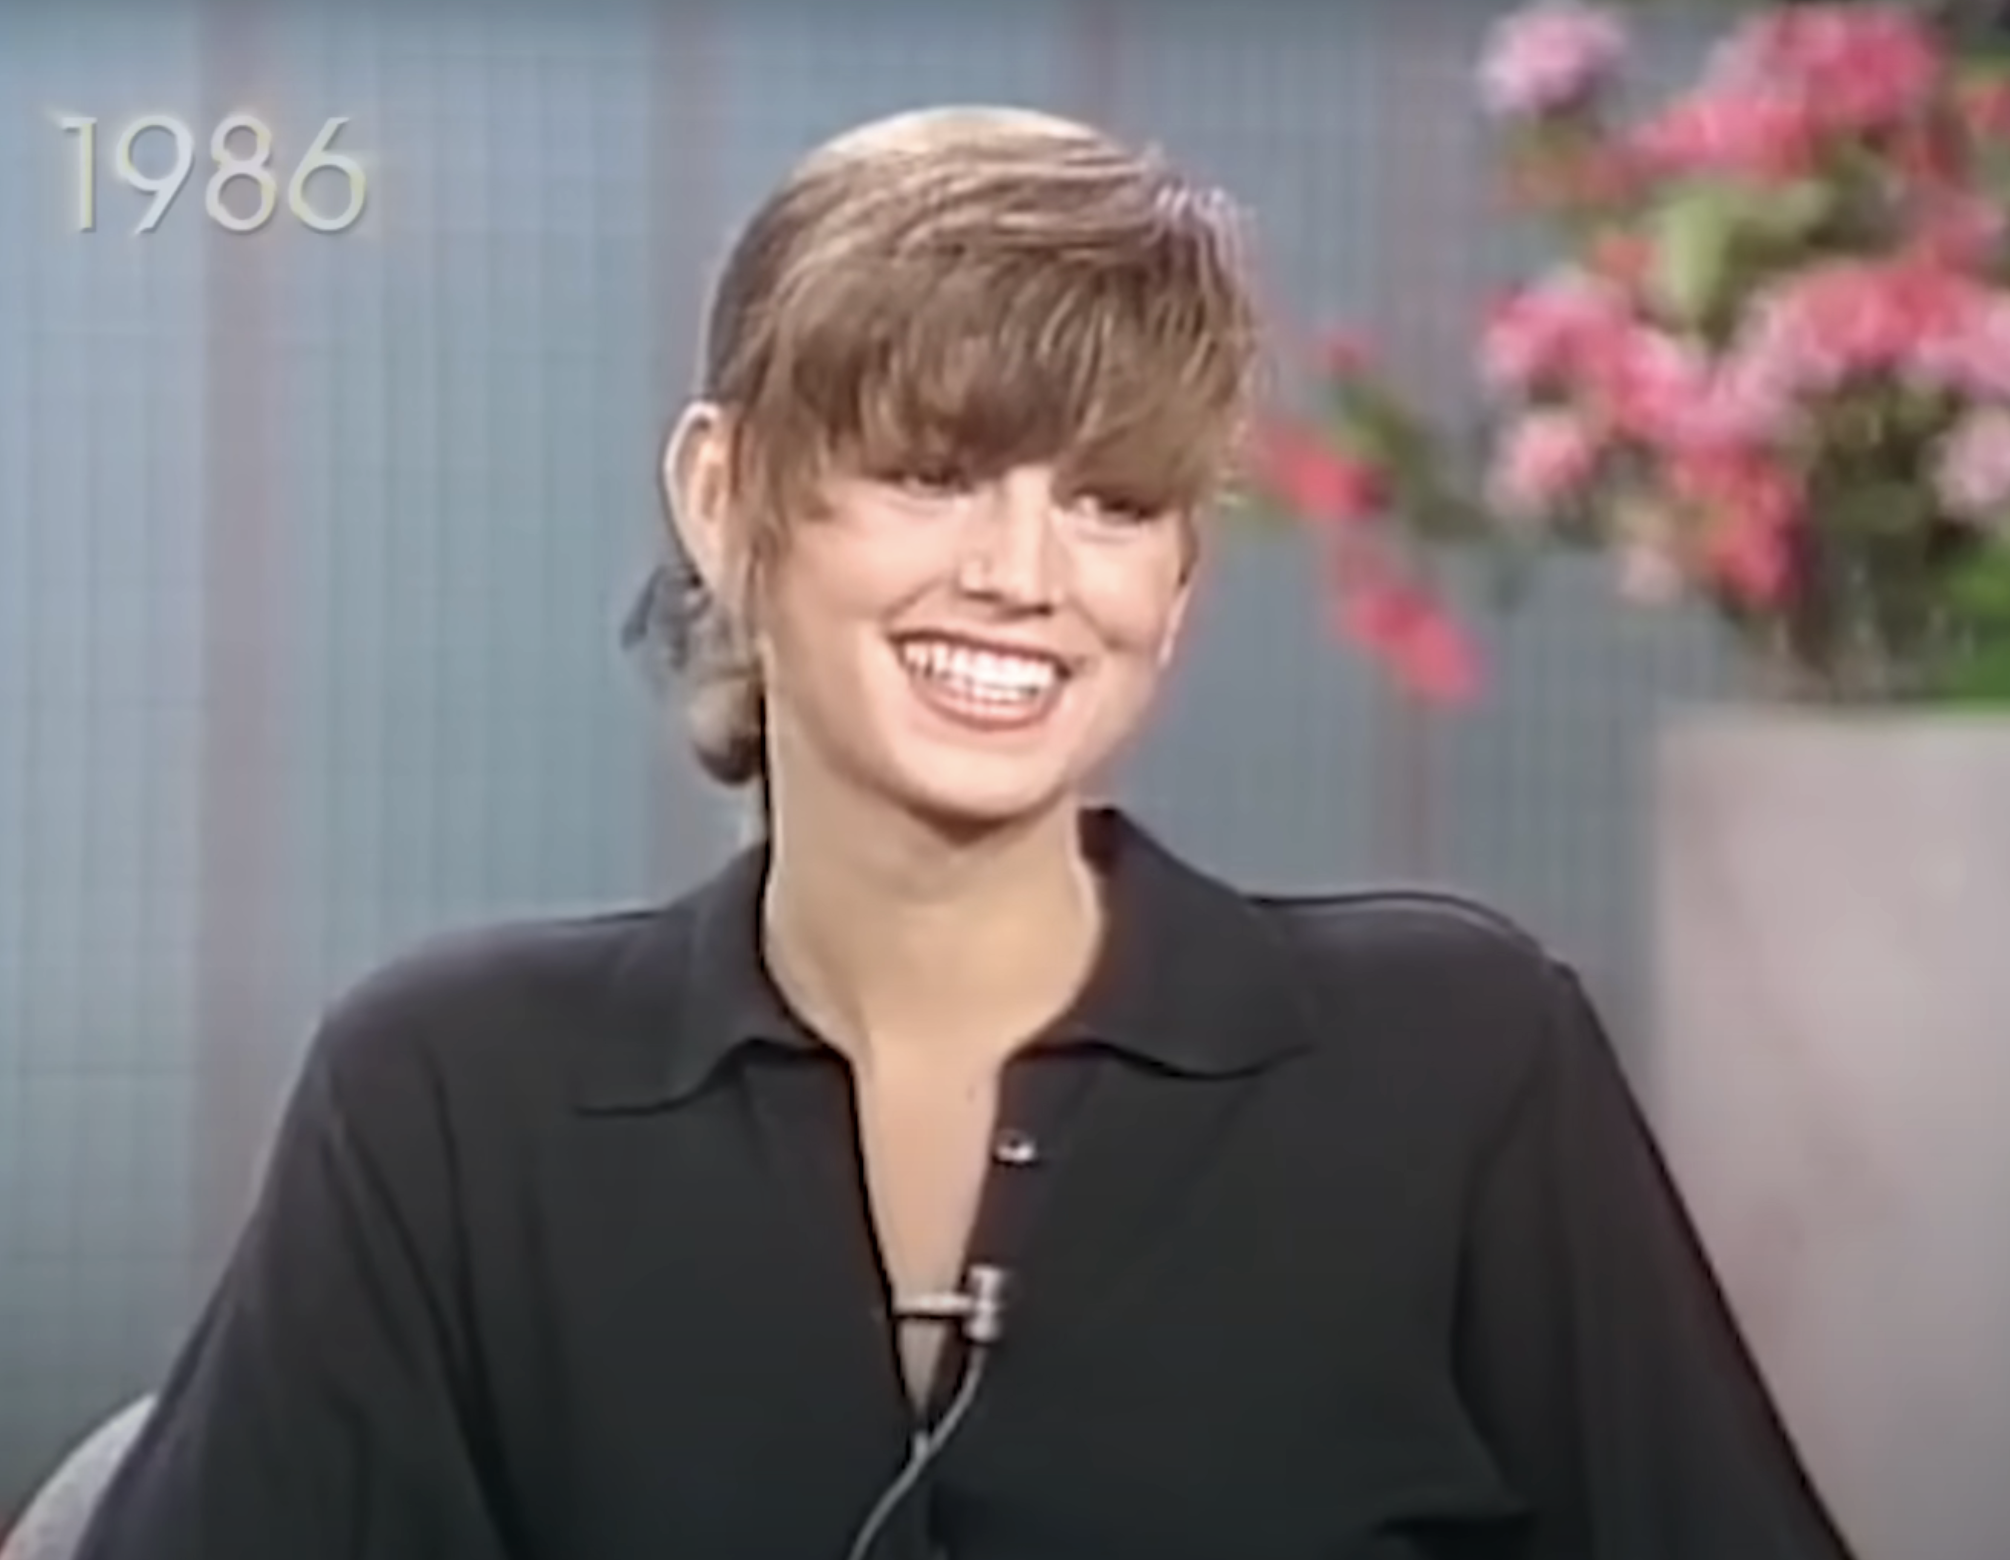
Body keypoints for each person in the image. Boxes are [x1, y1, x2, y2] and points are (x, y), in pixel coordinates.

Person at [73, 107, 1856, 1560]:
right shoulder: (455, 1100)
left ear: (1176, 576)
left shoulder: (1456, 1065)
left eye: (1108, 501)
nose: (1021, 577)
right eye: (933, 473)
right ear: (724, 494)